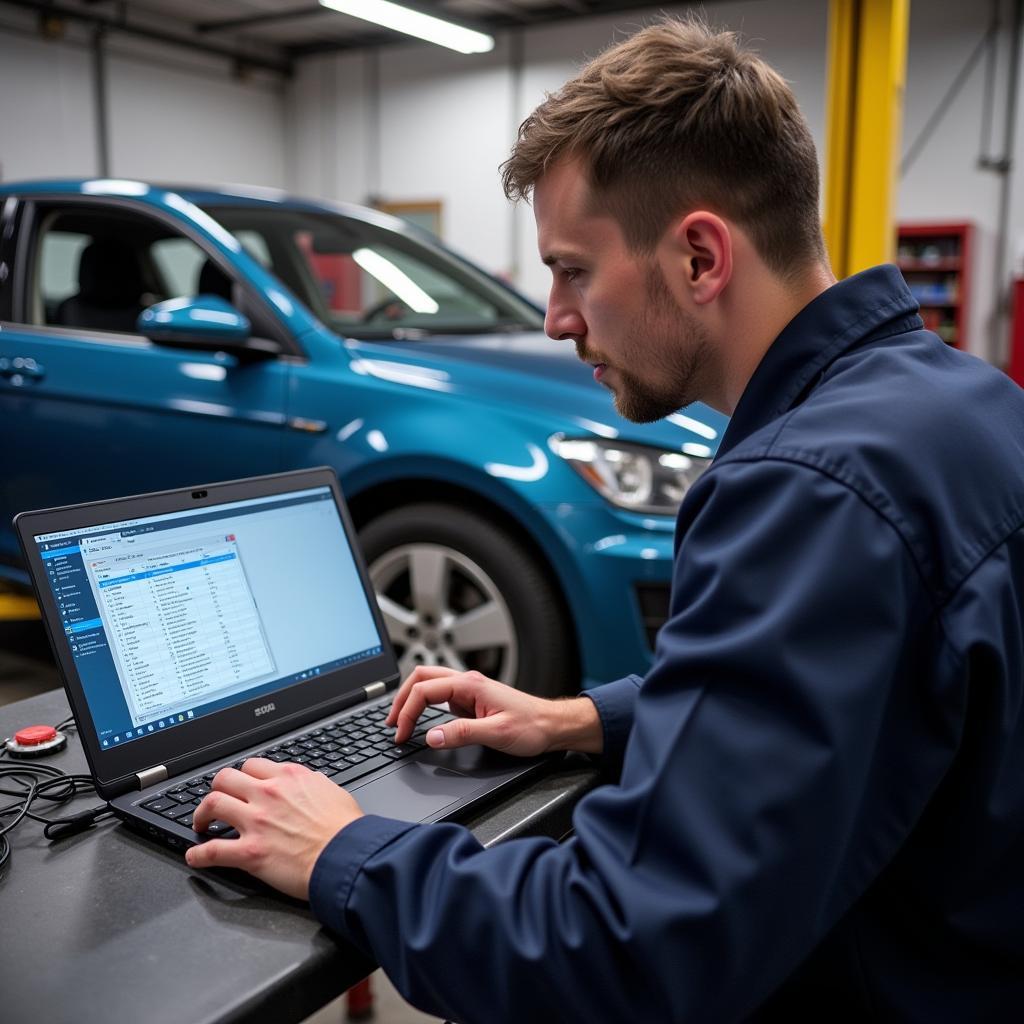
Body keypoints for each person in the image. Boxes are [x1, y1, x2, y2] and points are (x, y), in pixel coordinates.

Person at [187, 18, 1024, 1021]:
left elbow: (625, 953)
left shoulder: (814, 487)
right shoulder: (956, 402)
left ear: (700, 257)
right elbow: (869, 693)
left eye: (572, 268)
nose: (553, 317)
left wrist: (344, 849)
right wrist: (585, 719)